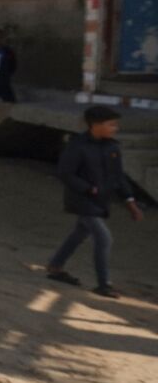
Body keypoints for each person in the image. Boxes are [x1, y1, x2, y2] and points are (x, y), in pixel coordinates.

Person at [45, 106, 144, 298]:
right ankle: (104, 284)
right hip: (82, 200)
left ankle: (55, 266)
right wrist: (88, 188)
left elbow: (118, 177)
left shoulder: (112, 147)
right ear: (96, 125)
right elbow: (65, 173)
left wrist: (130, 202)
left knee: (79, 234)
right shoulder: (77, 145)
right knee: (104, 238)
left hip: (100, 201)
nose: (115, 128)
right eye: (111, 124)